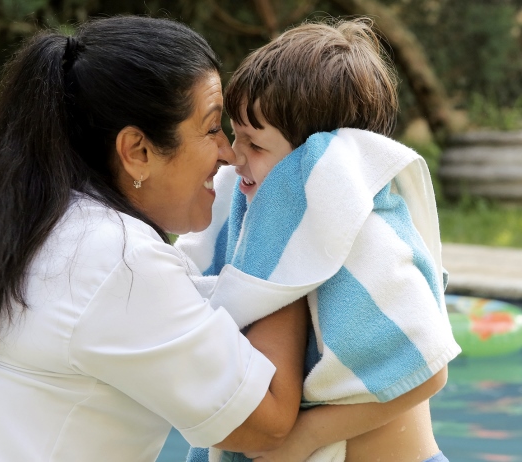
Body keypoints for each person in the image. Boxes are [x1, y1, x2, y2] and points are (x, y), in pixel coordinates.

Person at [0, 16, 311, 461]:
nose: (227, 152)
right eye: (210, 128)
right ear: (138, 152)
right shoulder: (116, 260)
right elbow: (265, 422)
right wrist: (291, 218)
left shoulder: (26, 225)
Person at [177, 18, 461, 462]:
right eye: (236, 135)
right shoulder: (268, 228)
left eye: (255, 143)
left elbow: (429, 368)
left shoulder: (362, 230)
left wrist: (307, 436)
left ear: (320, 160)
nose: (234, 156)